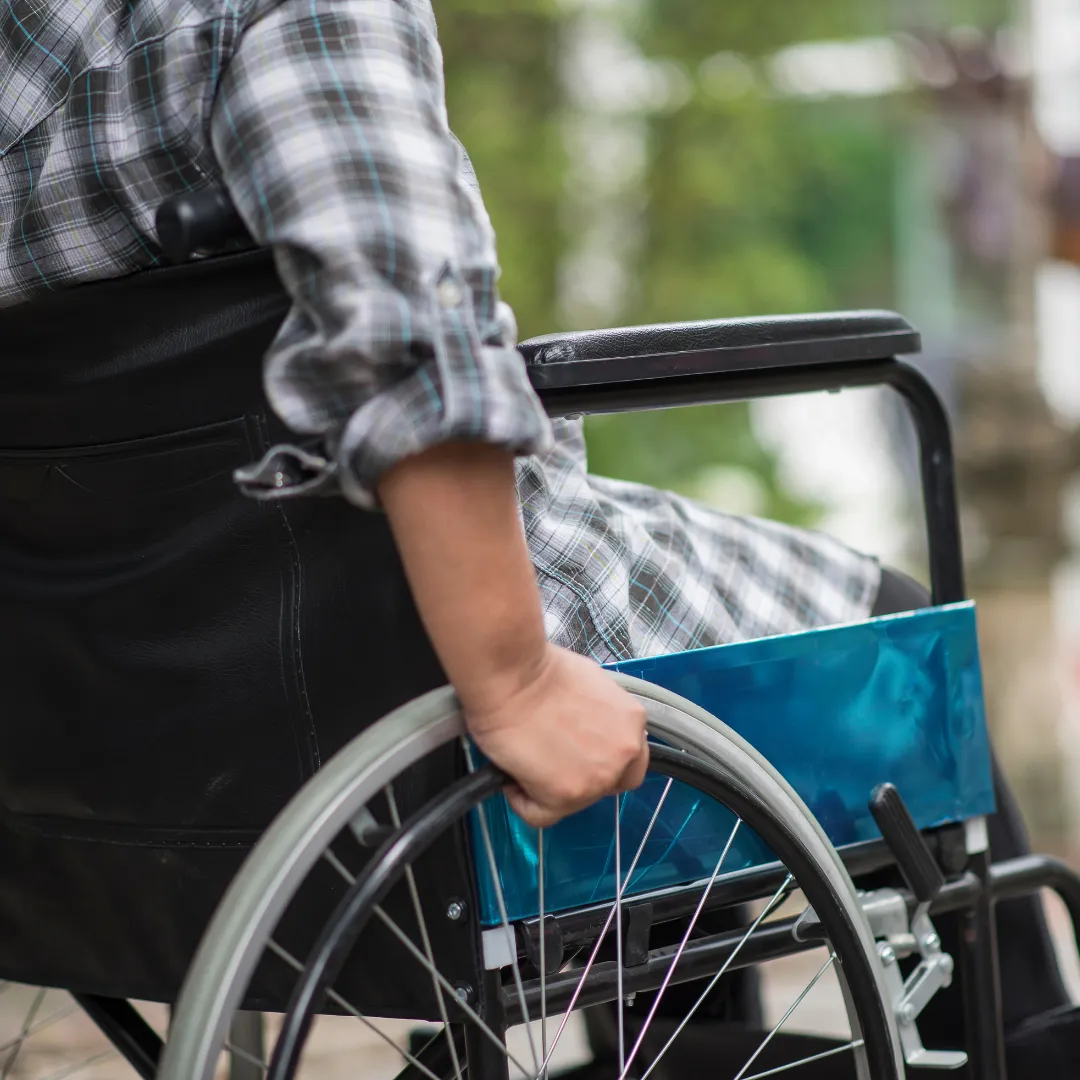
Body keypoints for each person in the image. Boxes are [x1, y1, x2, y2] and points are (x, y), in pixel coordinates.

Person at [0, 0, 1072, 1066]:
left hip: (116, 737)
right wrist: (512, 681)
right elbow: (408, 336)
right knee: (899, 645)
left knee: (681, 768)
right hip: (417, 653)